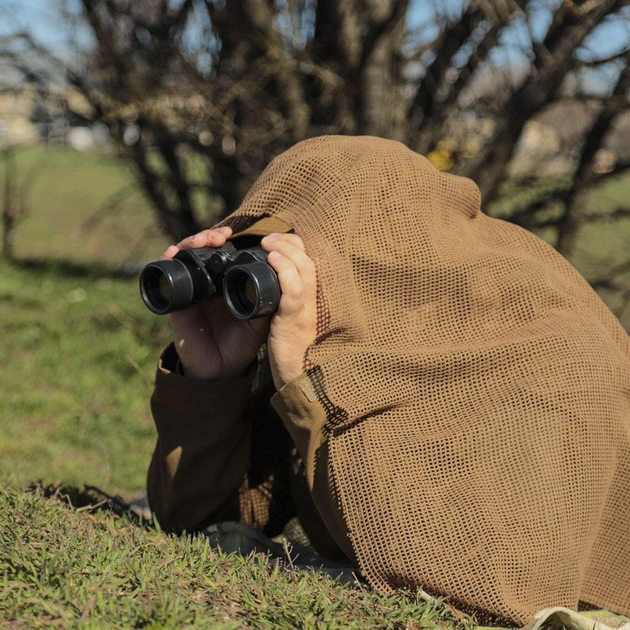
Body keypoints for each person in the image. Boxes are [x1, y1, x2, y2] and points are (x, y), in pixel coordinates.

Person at [146, 136, 630, 624]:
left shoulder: (544, 346)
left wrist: (306, 384)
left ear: (383, 255)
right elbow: (203, 520)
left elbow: (470, 582)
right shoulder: (347, 341)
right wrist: (211, 378)